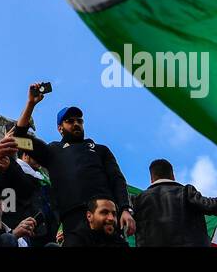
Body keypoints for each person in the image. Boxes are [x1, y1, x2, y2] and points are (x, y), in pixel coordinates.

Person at [12, 85, 135, 245]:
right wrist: (31, 103)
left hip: (105, 218)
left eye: (79, 121)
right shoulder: (52, 151)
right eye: (70, 121)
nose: (76, 123)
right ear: (60, 128)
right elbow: (19, 138)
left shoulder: (100, 150)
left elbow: (117, 180)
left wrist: (125, 209)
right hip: (73, 220)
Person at [133, 158, 217, 247]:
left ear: (152, 178)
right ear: (172, 175)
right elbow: (216, 205)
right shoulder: (186, 192)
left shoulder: (137, 201)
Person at [64, 197, 129, 248]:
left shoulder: (119, 241)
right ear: (89, 216)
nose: (111, 218)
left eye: (114, 214)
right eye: (104, 212)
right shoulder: (75, 240)